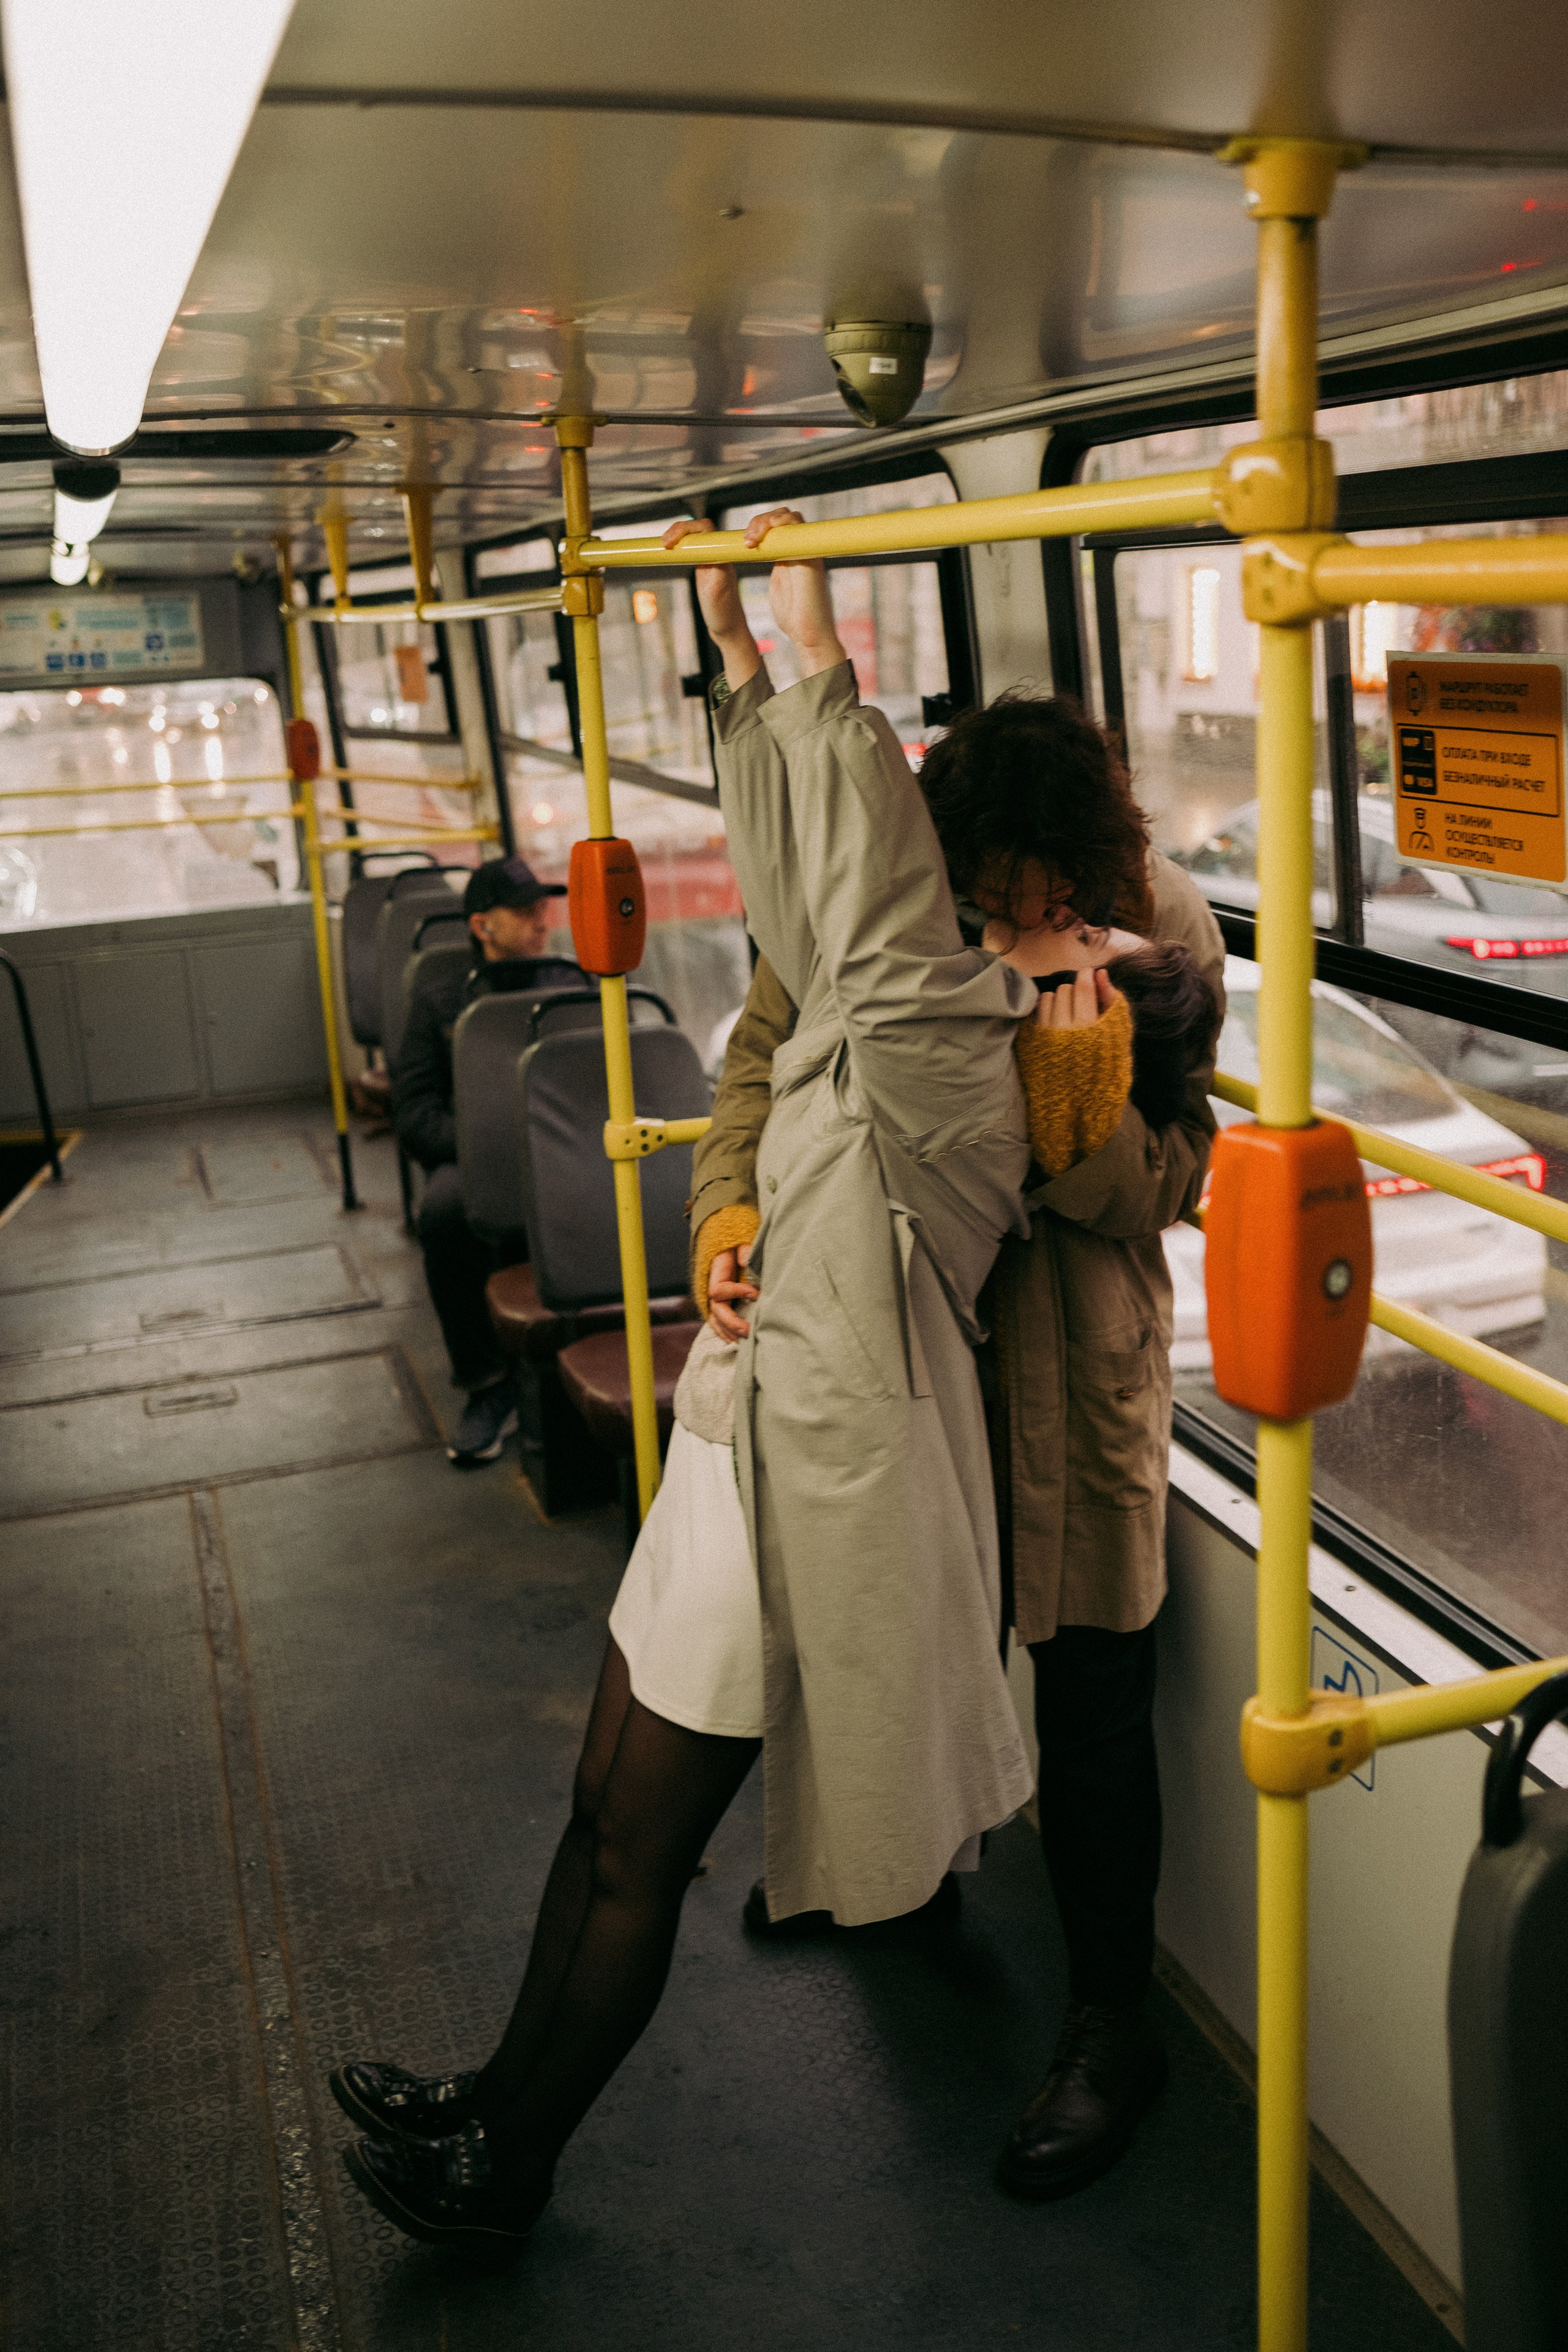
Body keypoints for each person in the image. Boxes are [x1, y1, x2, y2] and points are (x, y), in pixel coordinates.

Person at [331, 511, 1045, 2256]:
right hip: (734, 1449)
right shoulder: (868, 1015)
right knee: (593, 1816)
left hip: (804, 1501)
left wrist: (816, 659)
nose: (949, 905)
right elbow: (815, 906)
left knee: (642, 1847)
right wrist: (731, 663)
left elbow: (862, 914)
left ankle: (512, 2174)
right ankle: (493, 2099)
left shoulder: (961, 1055)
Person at [695, 690, 1226, 2202]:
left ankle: (1109, 2023)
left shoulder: (1163, 928)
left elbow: (1170, 1182)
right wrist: (728, 1206)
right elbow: (758, 1058)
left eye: (1051, 900)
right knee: (883, 1617)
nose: (1020, 925)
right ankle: (898, 1862)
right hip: (895, 1338)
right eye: (989, 901)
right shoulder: (873, 908)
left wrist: (1067, 1124)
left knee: (1092, 1696)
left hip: (1074, 1363)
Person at [392, 854, 586, 1466]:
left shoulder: (572, 990)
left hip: (562, 1149)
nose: (541, 922)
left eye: (543, 909)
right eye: (524, 912)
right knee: (446, 1214)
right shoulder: (438, 1001)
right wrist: (485, 1150)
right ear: (482, 926)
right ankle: (485, 1382)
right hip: (471, 1157)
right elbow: (417, 1112)